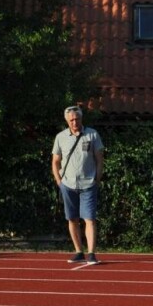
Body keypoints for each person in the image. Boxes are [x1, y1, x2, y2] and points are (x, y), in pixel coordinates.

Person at [51, 104, 104, 264]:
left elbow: (99, 158)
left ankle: (92, 253)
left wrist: (97, 178)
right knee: (72, 219)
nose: (74, 122)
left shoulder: (92, 135)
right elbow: (55, 161)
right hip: (68, 184)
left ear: (81, 118)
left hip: (88, 183)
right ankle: (79, 251)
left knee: (90, 219)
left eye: (77, 119)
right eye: (71, 120)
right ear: (67, 121)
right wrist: (59, 181)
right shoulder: (60, 137)